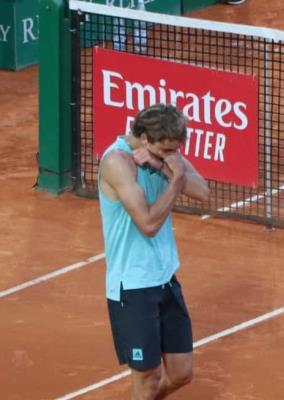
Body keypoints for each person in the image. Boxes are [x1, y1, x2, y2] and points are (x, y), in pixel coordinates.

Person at [98, 103, 210, 400]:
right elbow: (147, 224)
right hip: (133, 287)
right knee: (147, 379)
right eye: (165, 151)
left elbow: (203, 192)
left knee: (181, 373)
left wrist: (163, 165)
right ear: (145, 139)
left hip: (164, 279)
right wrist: (175, 180)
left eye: (175, 150)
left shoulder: (164, 152)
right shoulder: (117, 163)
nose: (172, 155)